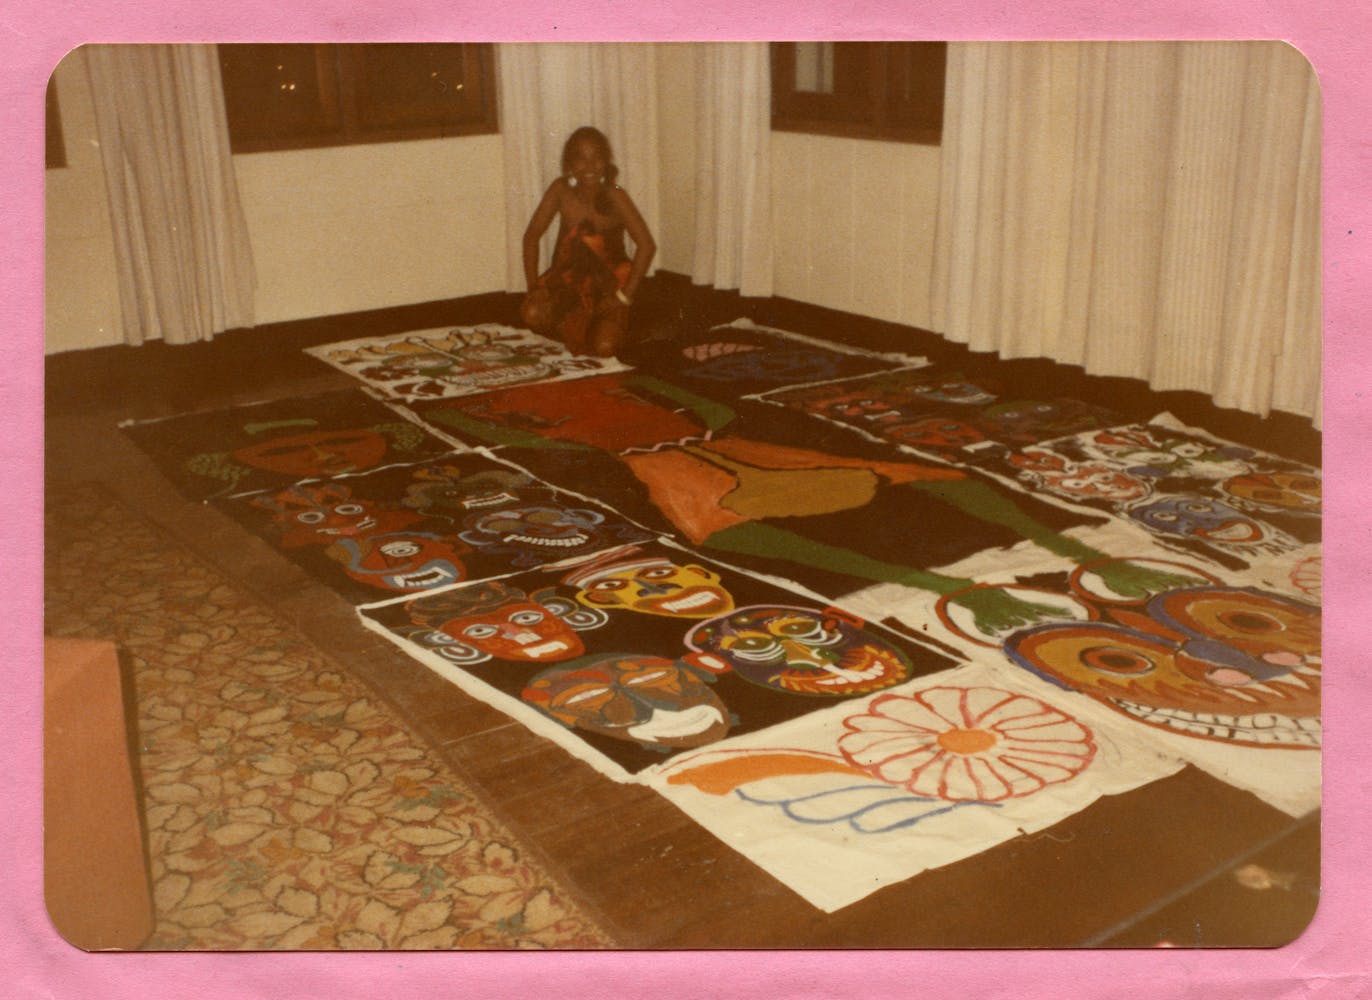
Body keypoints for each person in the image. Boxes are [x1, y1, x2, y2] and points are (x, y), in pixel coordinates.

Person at [519, 127, 656, 357]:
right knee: (531, 313)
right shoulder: (560, 190)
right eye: (581, 159)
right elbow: (531, 237)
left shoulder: (615, 195)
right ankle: (578, 330)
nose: (589, 166)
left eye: (596, 157)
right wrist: (534, 288)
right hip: (566, 282)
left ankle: (622, 329)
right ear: (569, 164)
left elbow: (647, 245)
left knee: (604, 348)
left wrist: (623, 296)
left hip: (608, 286)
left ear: (606, 161)